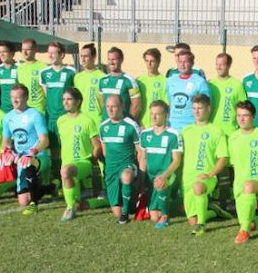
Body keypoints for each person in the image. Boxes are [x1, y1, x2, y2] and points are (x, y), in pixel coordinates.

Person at [181, 94, 228, 236]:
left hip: (206, 177)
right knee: (192, 220)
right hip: (187, 178)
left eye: (200, 108)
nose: (196, 111)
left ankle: (201, 226)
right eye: (194, 108)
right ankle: (213, 211)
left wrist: (210, 174)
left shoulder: (216, 131)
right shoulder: (185, 131)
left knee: (198, 187)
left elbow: (223, 158)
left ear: (208, 108)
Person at [229, 101, 258, 244]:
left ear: (254, 116)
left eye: (245, 115)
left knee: (248, 186)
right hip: (239, 185)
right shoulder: (233, 138)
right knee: (248, 222)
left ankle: (244, 232)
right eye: (239, 115)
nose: (241, 119)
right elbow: (234, 165)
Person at [2, 84, 52, 216]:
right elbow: (6, 141)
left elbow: (45, 141)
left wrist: (33, 152)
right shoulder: (7, 117)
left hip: (38, 156)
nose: (14, 100)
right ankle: (49, 187)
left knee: (28, 164)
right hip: (20, 159)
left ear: (26, 97)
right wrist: (7, 152)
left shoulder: (35, 115)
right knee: (23, 201)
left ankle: (34, 204)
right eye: (12, 97)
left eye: (18, 97)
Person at [57, 87, 102, 221]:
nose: (65, 102)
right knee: (80, 205)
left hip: (83, 163)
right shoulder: (60, 121)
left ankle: (69, 208)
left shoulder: (87, 120)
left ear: (78, 101)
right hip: (66, 164)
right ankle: (96, 203)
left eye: (69, 99)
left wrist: (92, 161)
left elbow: (97, 145)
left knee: (65, 171)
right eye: (64, 99)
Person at [138, 100, 183, 228]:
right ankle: (171, 203)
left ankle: (165, 216)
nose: (154, 117)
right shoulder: (145, 134)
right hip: (151, 177)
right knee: (154, 217)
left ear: (166, 116)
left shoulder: (174, 135)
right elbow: (143, 158)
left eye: (157, 114)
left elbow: (176, 160)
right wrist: (141, 180)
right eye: (152, 114)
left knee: (160, 182)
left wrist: (164, 176)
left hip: (168, 175)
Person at [99, 94, 143, 225]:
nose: (110, 109)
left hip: (127, 164)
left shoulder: (131, 125)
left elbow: (140, 152)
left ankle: (125, 214)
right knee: (116, 212)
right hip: (111, 169)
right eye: (108, 106)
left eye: (114, 106)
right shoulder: (103, 127)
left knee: (126, 177)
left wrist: (141, 175)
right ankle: (130, 205)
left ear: (122, 106)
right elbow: (105, 151)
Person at [41, 42, 76, 181]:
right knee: (54, 150)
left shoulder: (71, 72)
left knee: (67, 148)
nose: (50, 55)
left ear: (62, 55)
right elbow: (46, 94)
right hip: (51, 117)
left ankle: (70, 176)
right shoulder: (44, 73)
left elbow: (74, 93)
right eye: (49, 52)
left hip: (66, 117)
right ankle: (56, 178)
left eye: (53, 52)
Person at [166, 49, 210, 132]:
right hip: (173, 126)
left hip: (192, 127)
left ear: (192, 63)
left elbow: (207, 106)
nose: (182, 64)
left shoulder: (200, 82)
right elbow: (169, 103)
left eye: (185, 62)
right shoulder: (170, 81)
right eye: (180, 62)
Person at [99, 46, 140, 121]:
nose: (111, 62)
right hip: (106, 123)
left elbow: (136, 105)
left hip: (122, 123)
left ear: (121, 60)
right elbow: (102, 103)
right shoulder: (102, 80)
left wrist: (129, 123)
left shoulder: (130, 81)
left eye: (114, 59)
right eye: (109, 59)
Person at [210, 52, 246, 136]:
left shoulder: (237, 85)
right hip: (213, 128)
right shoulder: (211, 84)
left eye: (222, 65)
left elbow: (243, 108)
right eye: (217, 64)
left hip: (230, 130)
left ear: (229, 65)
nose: (218, 67)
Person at [74, 43, 105, 127]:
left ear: (94, 57)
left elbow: (104, 102)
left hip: (96, 121)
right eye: (81, 56)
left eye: (86, 56)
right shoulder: (77, 77)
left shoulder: (102, 77)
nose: (83, 59)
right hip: (81, 121)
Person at [137, 48, 167, 129]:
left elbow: (166, 105)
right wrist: (138, 122)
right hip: (142, 124)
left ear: (158, 62)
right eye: (147, 61)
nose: (149, 64)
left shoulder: (165, 81)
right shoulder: (139, 81)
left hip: (158, 125)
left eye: (152, 61)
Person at [16, 38, 47, 113]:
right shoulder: (19, 68)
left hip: (38, 110)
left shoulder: (43, 67)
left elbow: (47, 91)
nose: (25, 52)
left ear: (34, 50)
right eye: (23, 49)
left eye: (28, 49)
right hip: (24, 109)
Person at [0, 41, 18, 114]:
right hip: (3, 110)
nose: (1, 54)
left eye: (4, 52)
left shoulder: (20, 68)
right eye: (0, 52)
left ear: (12, 53)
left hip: (19, 109)